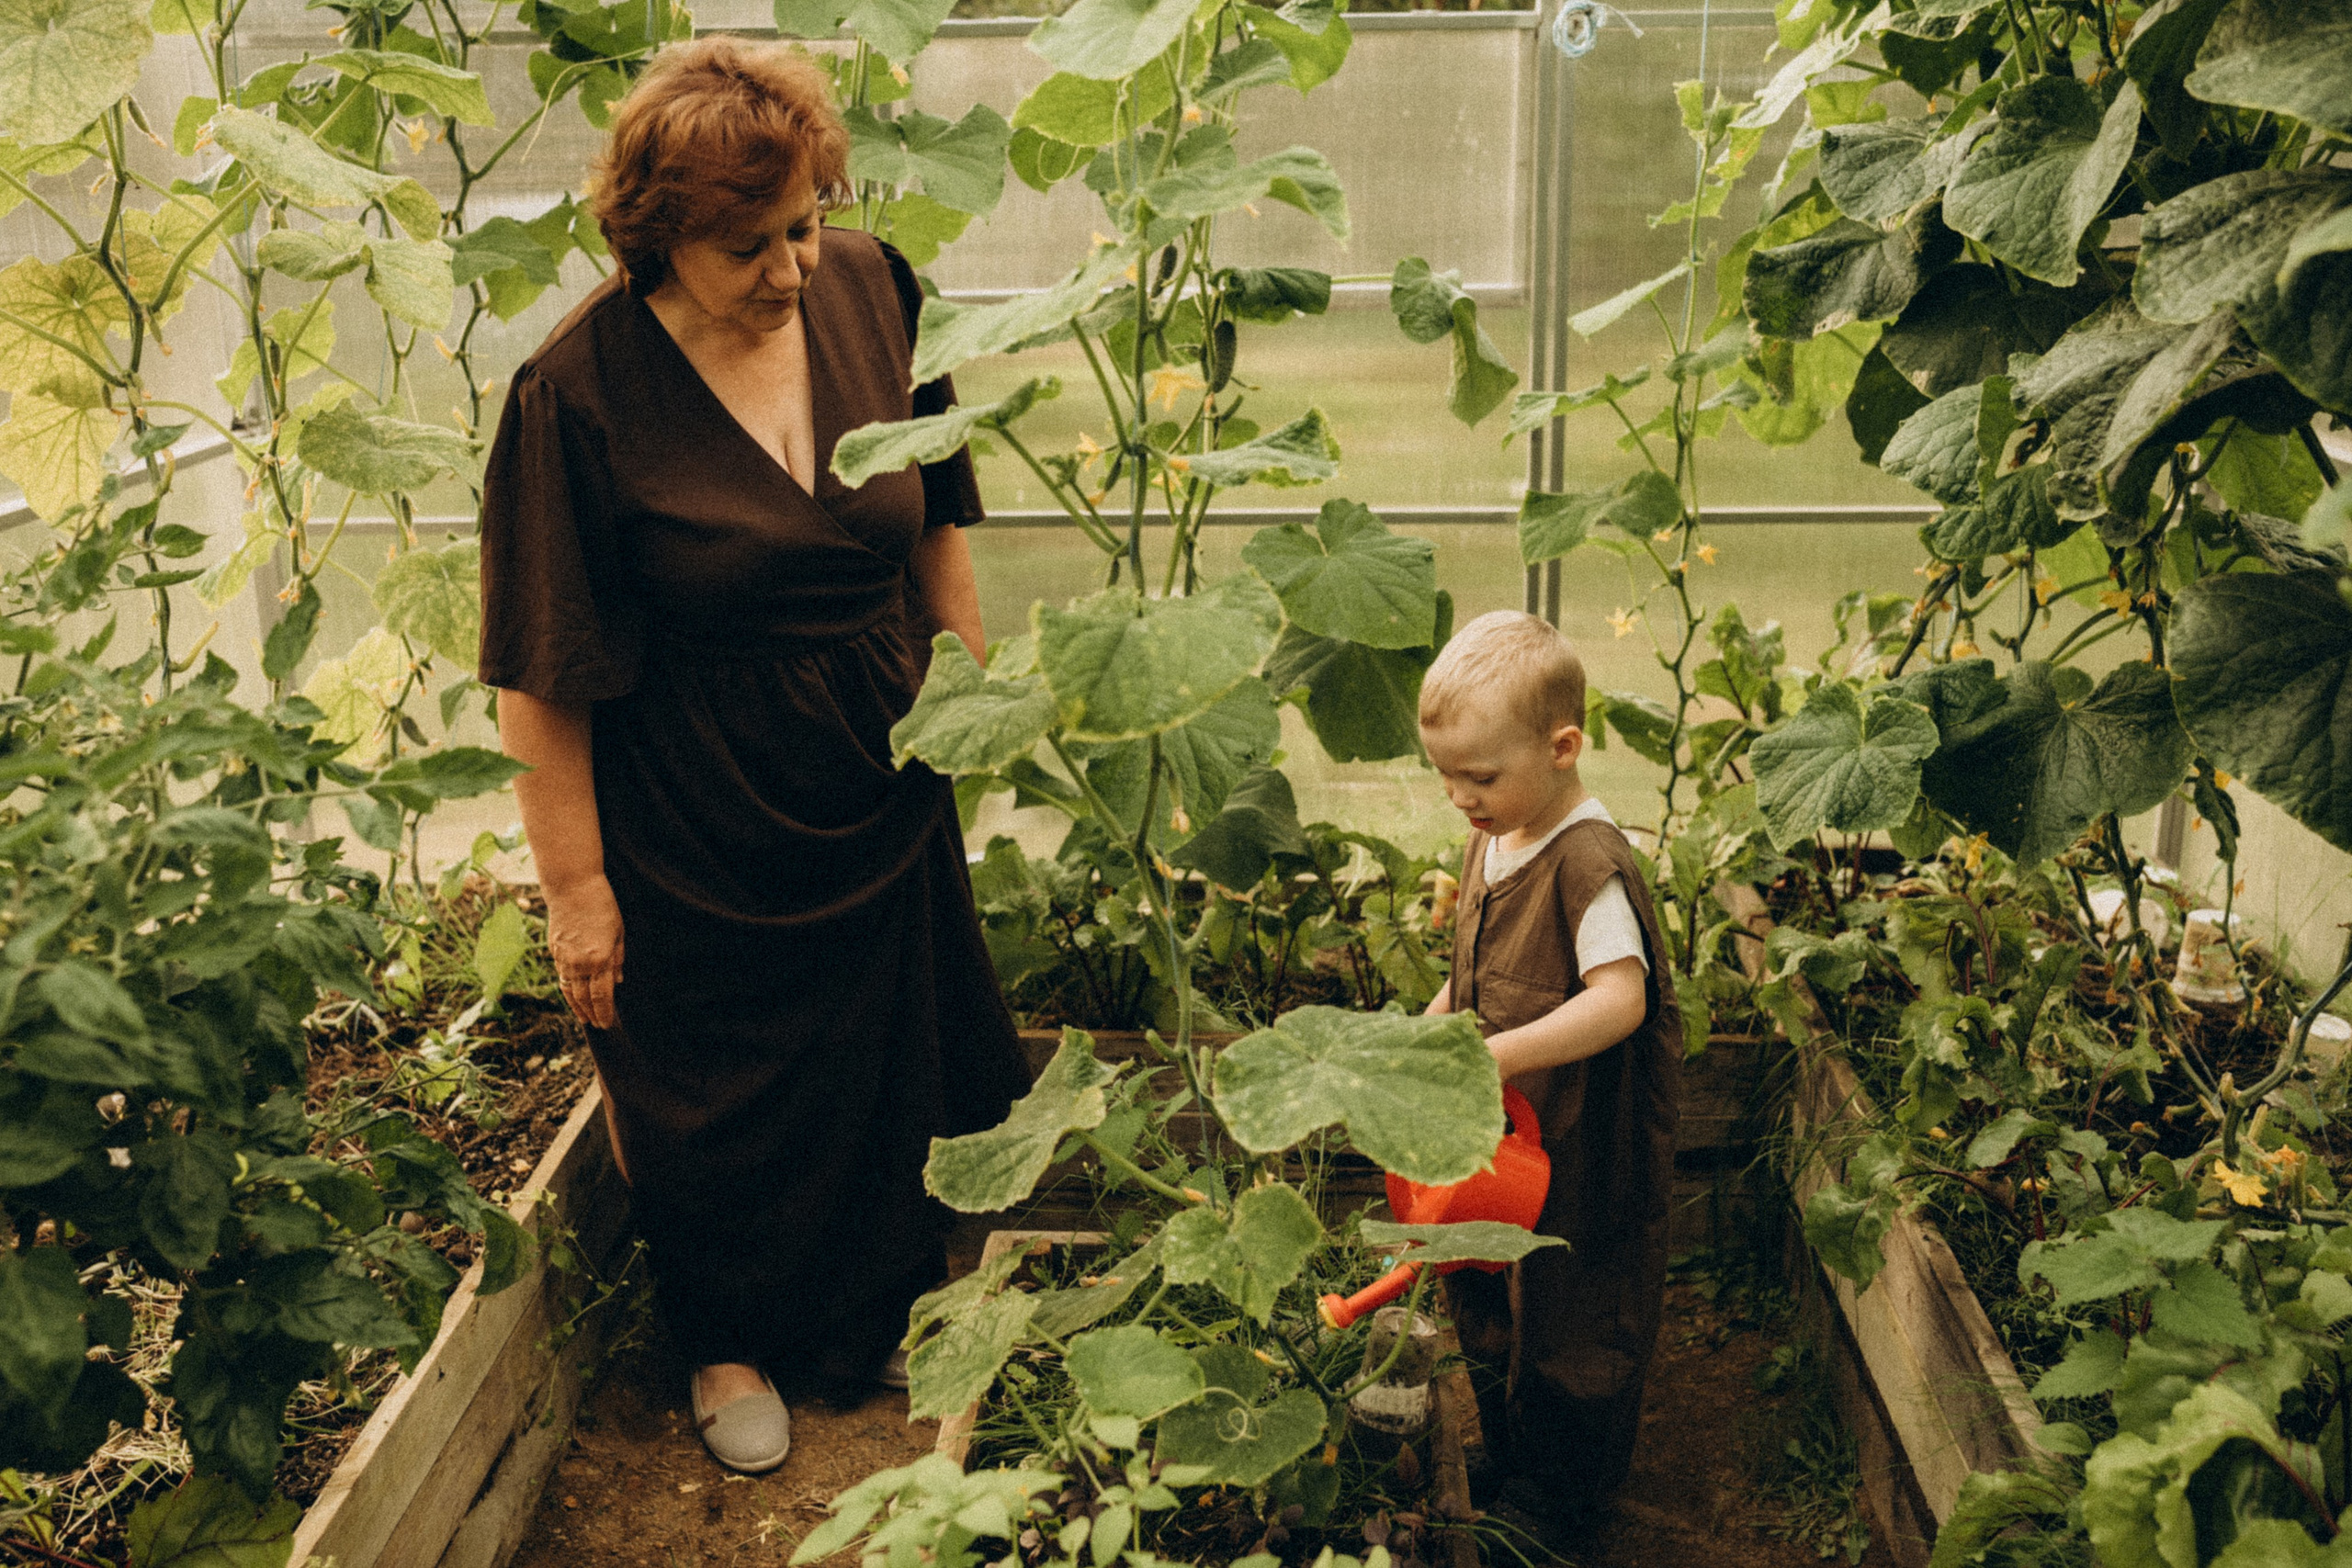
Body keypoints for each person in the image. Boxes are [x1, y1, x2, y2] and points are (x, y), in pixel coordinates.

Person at [475, 37, 1028, 1475]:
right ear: (657, 238)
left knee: (882, 1050)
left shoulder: (875, 286)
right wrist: (577, 886)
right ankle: (727, 1341)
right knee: (718, 1087)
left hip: (881, 770)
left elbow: (942, 513)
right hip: (696, 812)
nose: (793, 268)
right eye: (748, 246)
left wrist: (968, 699)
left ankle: (893, 1309)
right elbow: (542, 677)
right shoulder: (577, 392)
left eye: (807, 222)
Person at [1416, 610, 1681, 1547]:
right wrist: (1433, 1023)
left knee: (1574, 1305)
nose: (1460, 797)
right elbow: (1476, 960)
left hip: (1584, 1131)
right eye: (1445, 775)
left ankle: (1563, 1500)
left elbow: (1620, 1001)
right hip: (1511, 1131)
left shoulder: (1587, 861)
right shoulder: (1498, 833)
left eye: (1478, 776)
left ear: (1563, 747)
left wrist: (1496, 1053)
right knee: (1484, 1278)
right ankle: (1511, 1452)